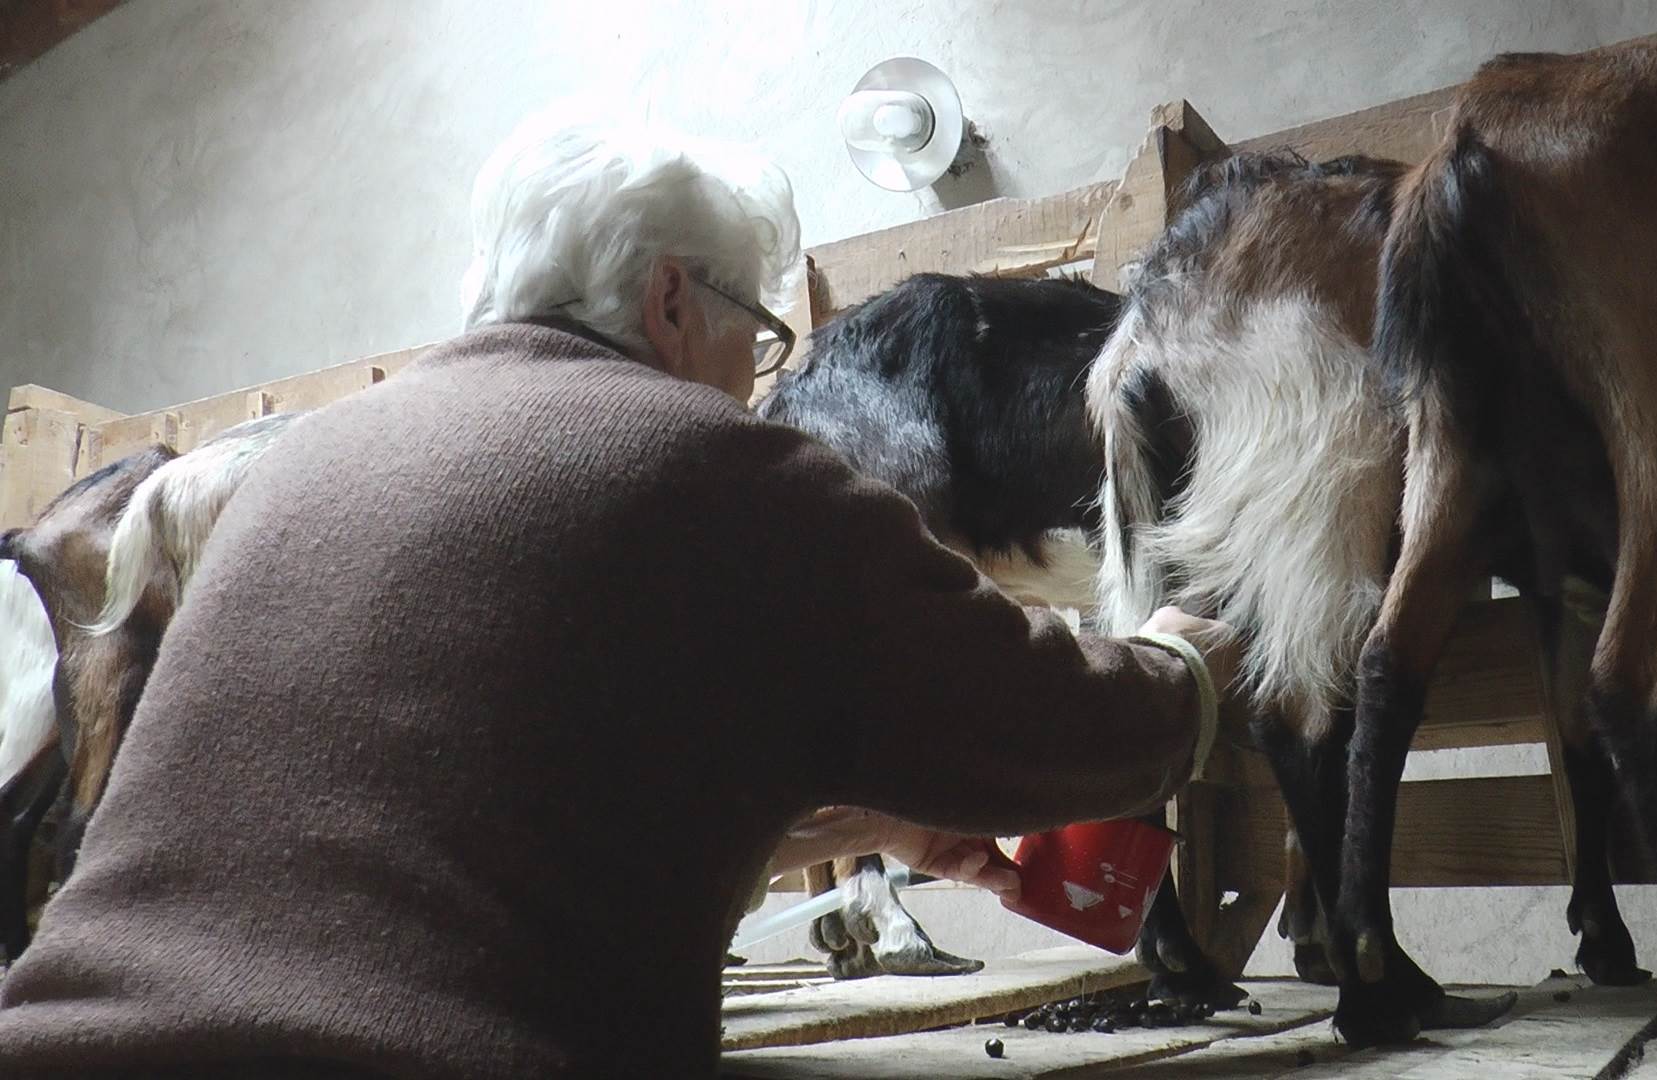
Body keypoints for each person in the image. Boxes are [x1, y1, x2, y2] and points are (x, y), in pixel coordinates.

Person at [0, 109, 1239, 1079]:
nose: (756, 373)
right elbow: (1050, 722)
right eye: (756, 331)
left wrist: (873, 825)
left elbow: (518, 815)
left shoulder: (304, 463)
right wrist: (1178, 663)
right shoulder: (720, 467)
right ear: (666, 299)